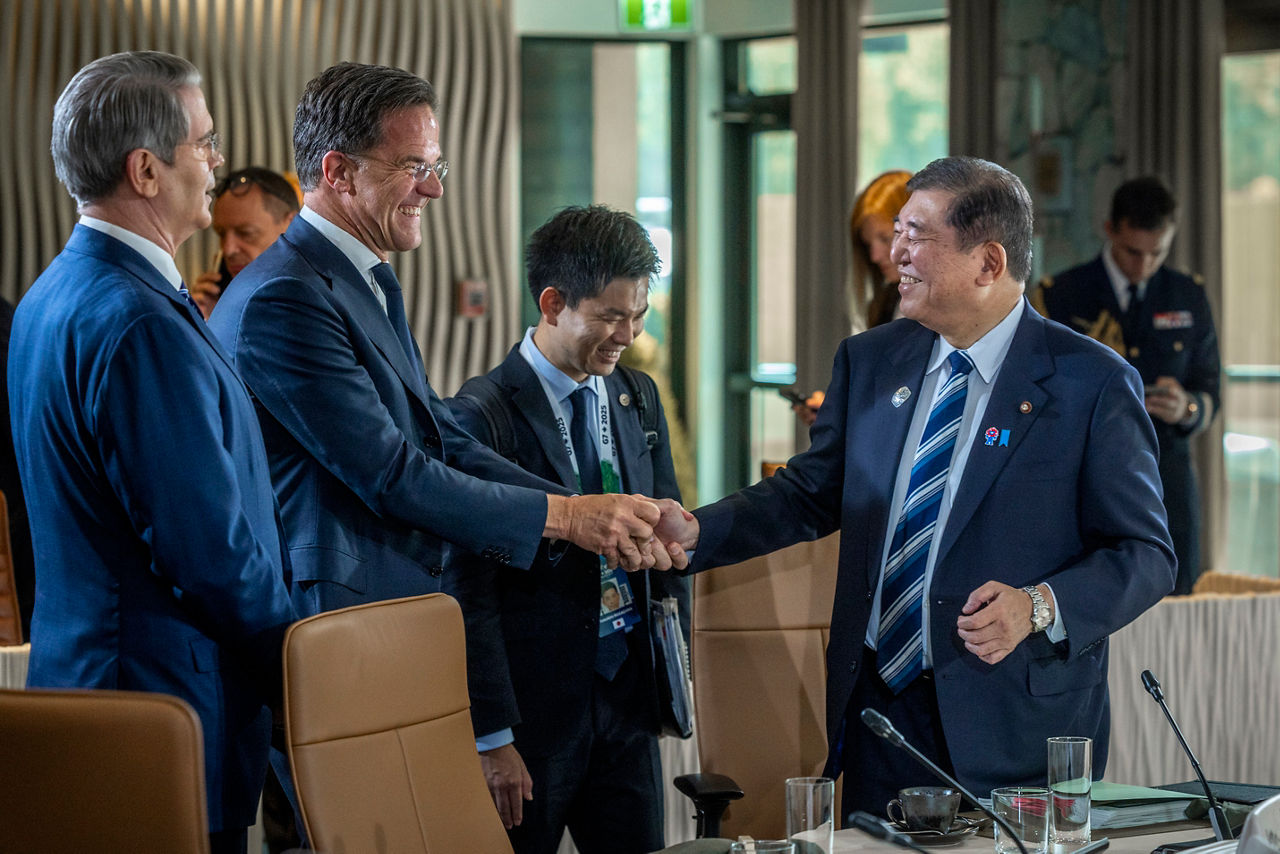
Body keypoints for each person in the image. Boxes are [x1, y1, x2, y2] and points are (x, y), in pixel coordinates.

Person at [656, 156, 1176, 817]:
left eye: (918, 234)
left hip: (1016, 727)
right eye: (898, 229)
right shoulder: (870, 360)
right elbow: (810, 493)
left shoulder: (1091, 384)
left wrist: (1040, 605)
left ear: (989, 264)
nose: (895, 251)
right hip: (881, 715)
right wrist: (701, 530)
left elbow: (1147, 554)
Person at [209, 63, 683, 620]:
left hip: (382, 610)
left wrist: (585, 507)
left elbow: (440, 438)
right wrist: (569, 519)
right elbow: (390, 473)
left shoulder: (362, 279)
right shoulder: (286, 296)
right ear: (338, 172)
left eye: (436, 167)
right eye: (413, 167)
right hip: (331, 620)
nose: (433, 189)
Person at [6, 51, 295, 854]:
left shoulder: (51, 294)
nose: (214, 162)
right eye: (203, 143)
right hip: (161, 713)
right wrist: (305, 666)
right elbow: (207, 550)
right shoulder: (139, 322)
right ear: (145, 169)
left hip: (93, 694)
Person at [444, 205, 691, 854]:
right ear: (553, 303)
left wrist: (673, 676)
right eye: (611, 316)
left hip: (625, 701)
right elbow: (468, 587)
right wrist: (492, 737)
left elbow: (671, 541)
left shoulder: (637, 396)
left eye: (638, 315)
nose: (628, 335)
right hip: (533, 715)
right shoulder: (482, 415)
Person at [1034, 176, 1221, 595]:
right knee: (1088, 600)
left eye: (1158, 253)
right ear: (1110, 230)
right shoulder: (1062, 295)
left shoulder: (1187, 295)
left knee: (1175, 609)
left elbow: (1210, 389)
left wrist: (1186, 408)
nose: (1143, 266)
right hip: (1084, 477)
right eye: (1132, 252)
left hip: (1165, 477)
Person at [794, 170, 912, 426]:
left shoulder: (922, 311)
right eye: (868, 244)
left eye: (884, 238)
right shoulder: (886, 303)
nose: (875, 256)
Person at [188, 166, 301, 317]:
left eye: (246, 233)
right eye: (221, 234)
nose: (228, 250)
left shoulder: (317, 304)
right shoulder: (220, 307)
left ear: (291, 225)